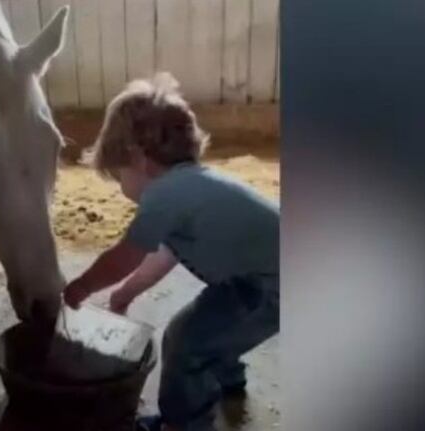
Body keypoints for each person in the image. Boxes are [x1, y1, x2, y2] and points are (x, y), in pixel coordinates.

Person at [63, 72, 280, 431]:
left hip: (271, 287)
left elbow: (126, 255)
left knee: (185, 341)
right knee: (217, 319)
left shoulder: (163, 195)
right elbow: (163, 254)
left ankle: (183, 423)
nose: (121, 188)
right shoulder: (191, 188)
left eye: (119, 177)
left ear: (137, 158)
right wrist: (123, 294)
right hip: (269, 275)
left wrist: (83, 287)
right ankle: (227, 379)